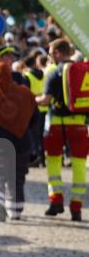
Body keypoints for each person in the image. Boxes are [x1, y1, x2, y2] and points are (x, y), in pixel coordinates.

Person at [0, 44, 36, 222]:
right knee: (17, 175)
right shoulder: (25, 93)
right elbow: (34, 117)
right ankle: (15, 211)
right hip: (22, 141)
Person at [37, 38, 88, 221]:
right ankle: (76, 207)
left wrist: (32, 99)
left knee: (53, 161)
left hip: (57, 124)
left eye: (51, 54)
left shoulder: (54, 72)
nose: (50, 57)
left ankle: (56, 200)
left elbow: (45, 100)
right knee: (79, 165)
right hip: (79, 124)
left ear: (58, 53)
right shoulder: (82, 71)